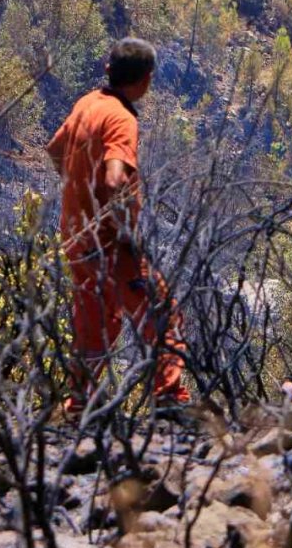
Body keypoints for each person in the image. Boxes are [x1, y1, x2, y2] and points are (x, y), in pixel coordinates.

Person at [47, 38, 189, 414]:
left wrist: (79, 191)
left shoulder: (86, 104)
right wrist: (123, 231)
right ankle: (170, 399)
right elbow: (114, 180)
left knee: (94, 321)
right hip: (109, 242)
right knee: (162, 314)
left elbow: (55, 150)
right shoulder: (121, 119)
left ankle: (81, 405)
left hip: (76, 237)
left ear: (109, 71)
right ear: (146, 80)